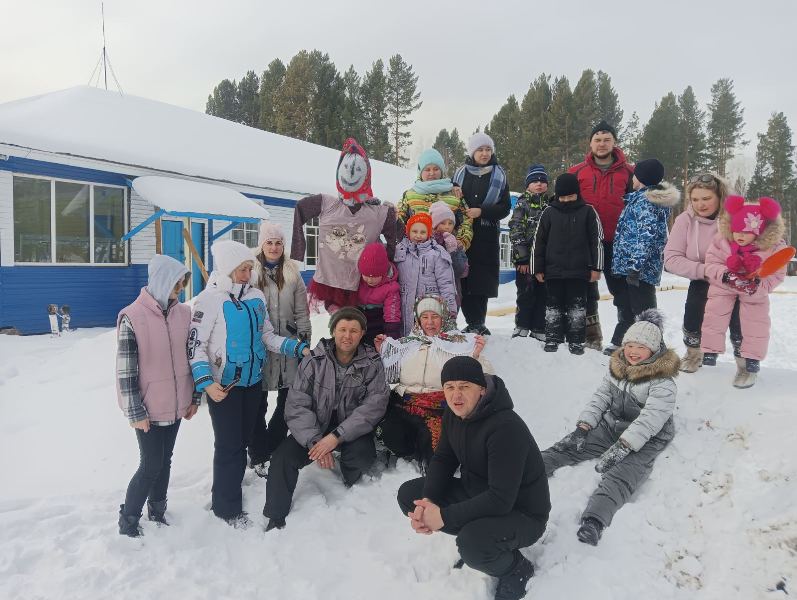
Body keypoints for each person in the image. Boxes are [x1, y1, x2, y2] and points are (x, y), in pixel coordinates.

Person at [397, 356, 550, 600]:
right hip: (478, 493)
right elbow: (444, 460)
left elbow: (501, 500)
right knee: (410, 496)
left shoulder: (505, 427)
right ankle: (479, 539)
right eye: (450, 387)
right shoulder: (453, 414)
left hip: (522, 514)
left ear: (481, 389)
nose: (456, 395)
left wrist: (443, 516)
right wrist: (429, 501)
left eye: (464, 386)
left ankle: (515, 569)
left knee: (472, 543)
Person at [189, 240, 310, 526]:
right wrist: (206, 383)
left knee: (242, 441)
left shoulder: (255, 297)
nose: (248, 273)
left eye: (248, 268)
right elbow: (195, 346)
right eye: (243, 269)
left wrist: (296, 348)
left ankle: (227, 486)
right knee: (229, 446)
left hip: (252, 382)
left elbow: (267, 335)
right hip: (223, 387)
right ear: (230, 269)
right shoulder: (209, 300)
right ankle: (226, 508)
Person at [542, 309, 678, 546]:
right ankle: (530, 468)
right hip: (612, 425)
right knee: (569, 446)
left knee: (621, 474)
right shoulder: (617, 367)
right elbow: (601, 397)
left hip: (646, 437)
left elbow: (651, 418)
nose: (633, 352)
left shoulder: (662, 381)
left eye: (641, 347)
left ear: (654, 350)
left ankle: (594, 521)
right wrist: (584, 427)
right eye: (630, 345)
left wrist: (625, 446)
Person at [263, 307, 390, 531]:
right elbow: (297, 404)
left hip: (349, 430)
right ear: (333, 331)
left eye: (353, 330)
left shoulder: (371, 363)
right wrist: (314, 442)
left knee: (362, 455)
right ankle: (275, 515)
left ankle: (347, 480)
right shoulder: (314, 359)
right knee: (282, 458)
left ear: (362, 333)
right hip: (315, 427)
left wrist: (336, 438)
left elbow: (373, 406)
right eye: (342, 329)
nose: (347, 335)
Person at [116, 254, 198, 537]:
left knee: (166, 459)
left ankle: (158, 509)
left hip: (177, 403)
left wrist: (195, 396)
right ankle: (128, 518)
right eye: (177, 284)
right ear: (163, 281)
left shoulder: (184, 313)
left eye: (183, 284)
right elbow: (126, 371)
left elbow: (194, 356)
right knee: (150, 463)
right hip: (148, 407)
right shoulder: (133, 317)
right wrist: (135, 411)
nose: (181, 290)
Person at [375, 296, 492, 468]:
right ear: (418, 319)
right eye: (425, 317)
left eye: (435, 316)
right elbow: (388, 375)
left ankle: (429, 450)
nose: (430, 322)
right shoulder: (405, 344)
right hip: (405, 404)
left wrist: (475, 356)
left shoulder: (460, 344)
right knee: (389, 433)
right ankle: (412, 450)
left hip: (441, 409)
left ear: (444, 318)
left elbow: (485, 377)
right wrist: (383, 352)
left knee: (439, 456)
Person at [291, 137, 398, 312]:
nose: (350, 175)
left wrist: (387, 263)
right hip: (330, 280)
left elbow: (396, 235)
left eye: (356, 170)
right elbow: (300, 209)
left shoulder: (377, 213)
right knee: (340, 326)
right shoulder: (326, 204)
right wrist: (298, 249)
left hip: (362, 282)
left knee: (359, 325)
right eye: (347, 169)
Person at [247, 222, 312, 477]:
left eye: (278, 243)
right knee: (257, 404)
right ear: (261, 244)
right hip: (259, 348)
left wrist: (304, 341)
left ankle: (272, 445)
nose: (274, 247)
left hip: (289, 347)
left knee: (288, 402)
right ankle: (258, 453)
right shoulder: (250, 271)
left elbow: (301, 312)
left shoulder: (293, 272)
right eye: (269, 242)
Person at [701, 195, 787, 388]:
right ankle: (710, 350)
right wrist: (726, 275)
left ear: (759, 232)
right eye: (736, 229)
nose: (739, 235)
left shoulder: (771, 249)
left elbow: (776, 275)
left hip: (753, 295)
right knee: (715, 314)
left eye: (745, 231)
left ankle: (749, 363)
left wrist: (757, 285)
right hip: (724, 289)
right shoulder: (722, 242)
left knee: (753, 324)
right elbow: (711, 263)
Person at [664, 173, 743, 372]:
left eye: (706, 198)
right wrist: (705, 270)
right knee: (694, 313)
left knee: (741, 320)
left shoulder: (736, 217)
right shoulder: (685, 221)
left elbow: (762, 242)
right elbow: (671, 259)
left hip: (734, 279)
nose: (701, 204)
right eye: (695, 199)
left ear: (720, 197)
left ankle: (746, 362)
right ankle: (694, 354)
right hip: (703, 277)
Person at [568, 120, 635, 350]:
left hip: (618, 243)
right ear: (590, 143)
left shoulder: (629, 172)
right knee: (587, 291)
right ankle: (591, 337)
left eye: (607, 139)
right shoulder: (577, 172)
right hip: (586, 243)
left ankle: (624, 338)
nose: (602, 144)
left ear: (614, 142)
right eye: (597, 139)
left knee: (622, 291)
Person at [606, 158, 680, 353]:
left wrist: (635, 266)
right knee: (628, 306)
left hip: (640, 270)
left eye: (635, 174)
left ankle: (655, 345)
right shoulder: (639, 199)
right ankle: (621, 340)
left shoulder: (646, 202)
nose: (632, 178)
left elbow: (645, 237)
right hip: (632, 266)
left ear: (641, 177)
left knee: (643, 309)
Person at [532, 173, 603, 355]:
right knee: (553, 307)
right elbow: (538, 241)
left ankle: (577, 340)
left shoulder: (588, 211)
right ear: (557, 195)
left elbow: (597, 241)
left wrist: (596, 267)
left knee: (577, 307)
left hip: (579, 272)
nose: (566, 200)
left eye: (570, 197)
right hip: (553, 271)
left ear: (577, 194)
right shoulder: (548, 212)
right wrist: (537, 268)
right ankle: (553, 338)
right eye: (562, 197)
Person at [452, 133, 512, 335]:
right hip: (462, 235)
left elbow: (504, 207)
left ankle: (478, 322)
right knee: (464, 279)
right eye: (480, 150)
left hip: (486, 236)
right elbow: (450, 201)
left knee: (481, 281)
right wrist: (453, 190)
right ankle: (469, 321)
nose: (484, 153)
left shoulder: (499, 175)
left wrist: (482, 212)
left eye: (488, 149)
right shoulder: (459, 175)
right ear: (472, 152)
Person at [397, 147, 473, 250]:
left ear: (442, 171)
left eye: (436, 169)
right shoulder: (409, 195)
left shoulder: (455, 194)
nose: (432, 173)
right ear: (420, 172)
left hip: (446, 252)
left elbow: (467, 219)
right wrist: (406, 241)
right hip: (415, 252)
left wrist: (462, 240)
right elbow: (399, 219)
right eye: (427, 169)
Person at [394, 213, 457, 336]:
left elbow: (446, 283)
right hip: (404, 304)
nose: (418, 235)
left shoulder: (437, 254)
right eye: (414, 231)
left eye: (423, 232)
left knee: (429, 337)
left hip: (429, 306)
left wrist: (450, 308)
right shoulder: (400, 251)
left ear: (428, 233)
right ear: (408, 232)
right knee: (407, 335)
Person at [509, 164, 550, 339]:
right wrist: (522, 258)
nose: (539, 184)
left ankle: (539, 327)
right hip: (525, 260)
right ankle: (522, 325)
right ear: (527, 185)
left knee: (543, 294)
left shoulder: (550, 204)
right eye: (534, 181)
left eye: (542, 181)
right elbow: (516, 229)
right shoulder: (522, 203)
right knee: (525, 293)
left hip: (544, 260)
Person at [356, 242, 402, 345]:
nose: (369, 280)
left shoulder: (390, 287)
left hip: (377, 324)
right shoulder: (357, 281)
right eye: (366, 275)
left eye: (374, 276)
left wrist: (392, 333)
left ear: (383, 273)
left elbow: (392, 313)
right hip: (358, 321)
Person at [430, 200, 470, 310]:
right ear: (434, 224)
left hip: (452, 291)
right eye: (442, 223)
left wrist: (453, 251)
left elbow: (461, 270)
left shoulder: (456, 243)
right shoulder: (427, 242)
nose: (447, 227)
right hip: (431, 292)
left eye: (450, 223)